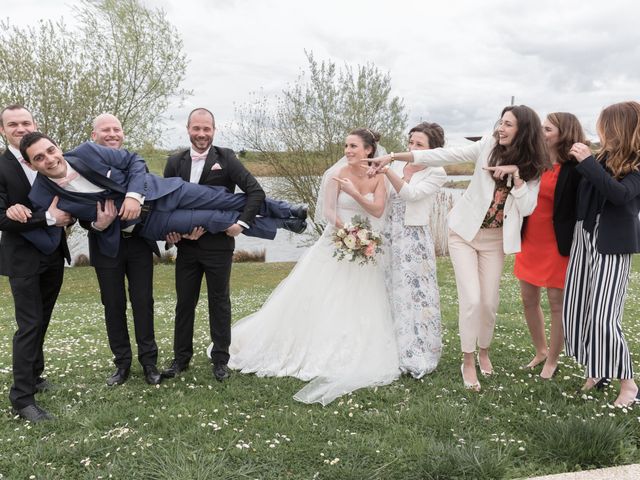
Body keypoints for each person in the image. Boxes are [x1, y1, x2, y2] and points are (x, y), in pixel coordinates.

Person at [371, 105, 548, 391]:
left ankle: (484, 352)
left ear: (523, 130)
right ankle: (467, 360)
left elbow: (527, 207)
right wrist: (393, 156)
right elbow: (441, 155)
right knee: (472, 300)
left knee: (489, 303)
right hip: (463, 234)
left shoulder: (532, 166)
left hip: (495, 241)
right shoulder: (488, 146)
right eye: (501, 122)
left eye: (508, 125)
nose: (501, 128)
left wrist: (516, 177)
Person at [221, 128, 400, 405]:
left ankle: (351, 347)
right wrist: (348, 232)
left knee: (359, 299)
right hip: (337, 240)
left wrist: (356, 200)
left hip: (367, 245)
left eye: (354, 146)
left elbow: (377, 210)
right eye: (346, 146)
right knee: (320, 295)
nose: (348, 151)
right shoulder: (334, 175)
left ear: (369, 150)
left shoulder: (379, 176)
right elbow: (329, 212)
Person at [161, 108, 301, 383]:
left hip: (218, 245)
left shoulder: (226, 158)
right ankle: (180, 359)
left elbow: (255, 192)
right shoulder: (175, 161)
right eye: (196, 128)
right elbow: (167, 204)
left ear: (214, 130)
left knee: (220, 302)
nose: (202, 134)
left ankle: (220, 359)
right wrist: (172, 235)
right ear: (188, 129)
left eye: (207, 129)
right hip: (187, 248)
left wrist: (242, 225)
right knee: (184, 303)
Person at [15, 131, 307, 259]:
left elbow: (134, 162)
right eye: (39, 158)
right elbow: (46, 241)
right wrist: (51, 219)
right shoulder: (42, 193)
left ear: (57, 146)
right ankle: (282, 224)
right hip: (148, 224)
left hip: (164, 191)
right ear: (30, 164)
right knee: (218, 219)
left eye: (50, 150)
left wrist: (133, 194)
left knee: (225, 198)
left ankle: (287, 210)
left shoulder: (87, 152)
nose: (50, 159)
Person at [563, 101, 640, 407]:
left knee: (603, 316)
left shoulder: (636, 163)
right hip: (584, 237)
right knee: (578, 308)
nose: (599, 130)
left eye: (604, 125)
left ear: (617, 127)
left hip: (611, 242)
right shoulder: (602, 157)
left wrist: (589, 163)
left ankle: (629, 384)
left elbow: (619, 195)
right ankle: (597, 369)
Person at [0, 105, 72, 422]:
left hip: (54, 254)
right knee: (29, 326)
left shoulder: (47, 159)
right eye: (12, 124)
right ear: (2, 130)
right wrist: (45, 217)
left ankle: (36, 376)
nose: (19, 128)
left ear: (35, 125)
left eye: (25, 122)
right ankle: (22, 399)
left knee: (41, 321)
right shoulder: (1, 167)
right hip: (23, 259)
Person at [89, 114, 161, 386]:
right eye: (105, 130)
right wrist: (97, 223)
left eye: (116, 129)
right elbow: (77, 206)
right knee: (113, 305)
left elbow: (146, 185)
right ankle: (122, 364)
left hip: (139, 245)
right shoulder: (84, 166)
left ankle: (149, 363)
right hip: (105, 247)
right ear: (93, 136)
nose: (112, 134)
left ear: (123, 134)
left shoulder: (135, 163)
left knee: (144, 303)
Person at [514, 112, 585, 379]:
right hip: (530, 239)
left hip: (558, 244)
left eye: (547, 129)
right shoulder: (534, 163)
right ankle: (541, 350)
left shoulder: (575, 168)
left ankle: (552, 361)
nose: (541, 133)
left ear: (563, 133)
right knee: (528, 299)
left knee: (557, 304)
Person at [379, 122, 446, 378]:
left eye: (419, 145)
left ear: (433, 149)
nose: (412, 148)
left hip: (413, 238)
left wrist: (387, 171)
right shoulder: (397, 165)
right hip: (389, 233)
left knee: (416, 293)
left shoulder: (436, 172)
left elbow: (412, 194)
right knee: (390, 288)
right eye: (411, 142)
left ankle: (418, 349)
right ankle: (391, 348)